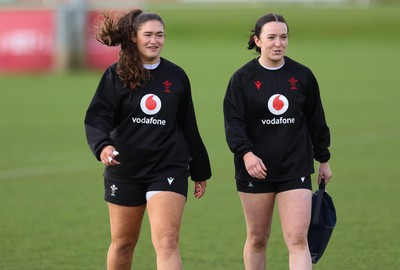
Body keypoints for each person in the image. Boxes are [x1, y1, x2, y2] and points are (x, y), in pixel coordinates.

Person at [84, 9, 211, 270]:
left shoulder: (176, 76)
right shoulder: (115, 75)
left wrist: (200, 168)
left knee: (166, 241)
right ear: (133, 37)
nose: (155, 40)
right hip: (125, 167)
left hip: (167, 166)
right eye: (148, 35)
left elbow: (188, 124)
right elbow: (98, 117)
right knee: (123, 243)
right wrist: (103, 147)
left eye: (160, 35)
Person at [223, 13, 332, 270]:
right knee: (258, 238)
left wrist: (323, 159)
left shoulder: (302, 75)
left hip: (295, 165)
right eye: (271, 37)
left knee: (297, 238)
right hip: (255, 169)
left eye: (283, 37)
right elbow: (234, 123)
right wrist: (247, 155)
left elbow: (316, 119)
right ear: (257, 41)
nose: (278, 43)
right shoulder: (242, 79)